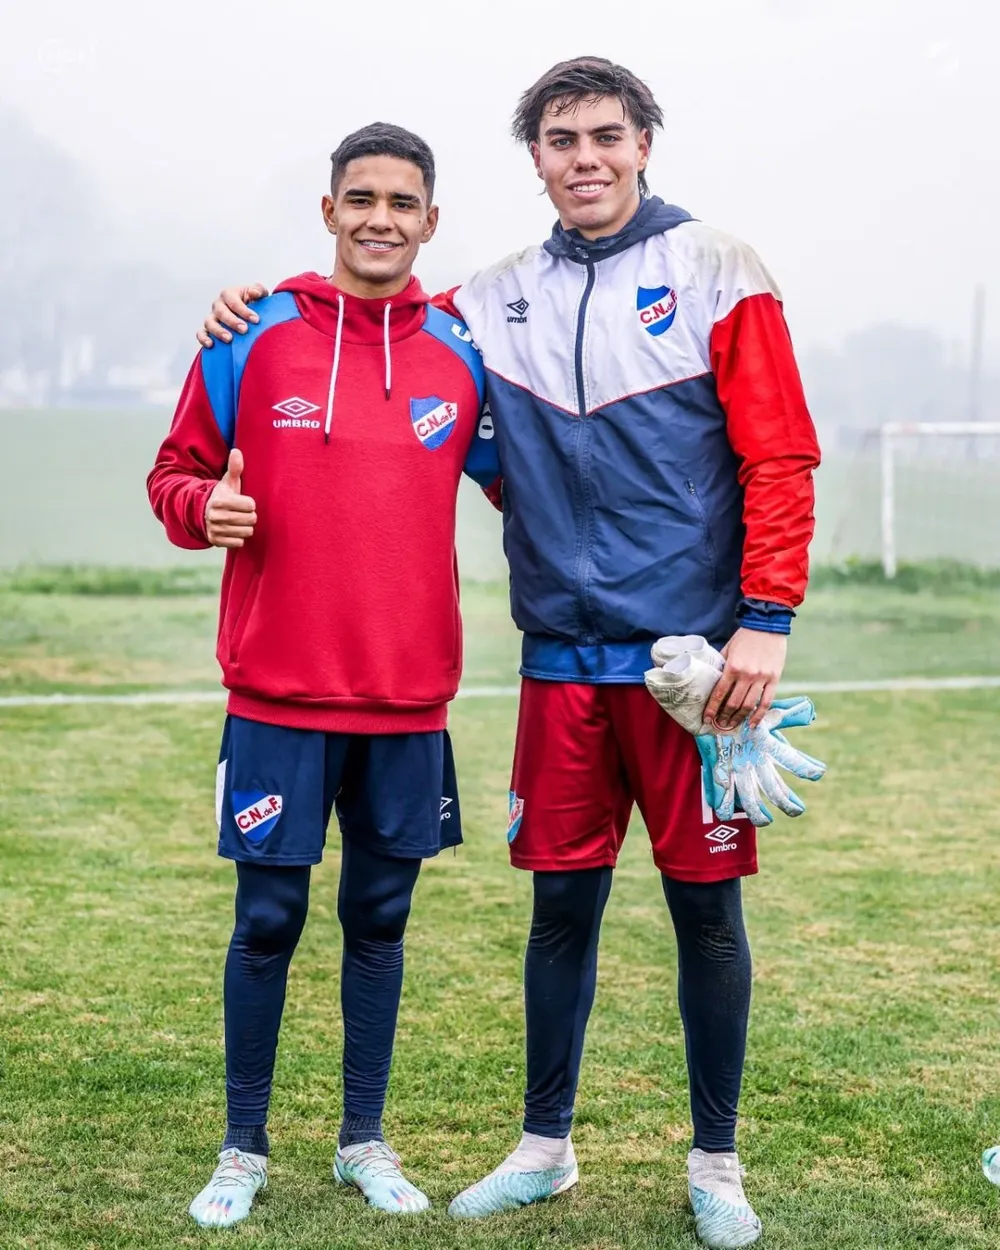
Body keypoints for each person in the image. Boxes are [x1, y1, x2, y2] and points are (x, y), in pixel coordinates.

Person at [199, 56, 822, 1249]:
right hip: (558, 668)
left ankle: (717, 1159)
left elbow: (779, 456)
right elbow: (399, 364)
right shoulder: (490, 300)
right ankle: (544, 1146)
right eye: (557, 139)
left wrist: (765, 619)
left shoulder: (716, 268)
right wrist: (248, 304)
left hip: (695, 673)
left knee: (707, 916)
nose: (582, 156)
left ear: (645, 141)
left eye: (603, 134)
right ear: (532, 159)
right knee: (559, 911)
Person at [149, 122, 497, 1229]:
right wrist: (208, 510)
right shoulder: (250, 338)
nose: (380, 218)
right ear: (329, 211)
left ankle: (363, 1138)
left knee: (381, 917)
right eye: (361, 198)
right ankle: (242, 1145)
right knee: (267, 917)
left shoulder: (463, 353)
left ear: (430, 221)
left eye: (402, 201)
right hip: (277, 694)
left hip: (406, 696)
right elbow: (173, 474)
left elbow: (536, 489)